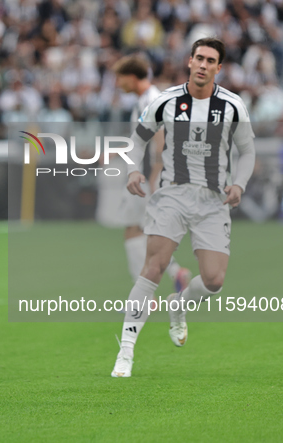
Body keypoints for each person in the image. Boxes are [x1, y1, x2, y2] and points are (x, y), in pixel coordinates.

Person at [111, 38, 256, 377]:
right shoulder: (166, 101)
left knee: (214, 280)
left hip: (212, 200)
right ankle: (126, 351)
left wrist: (240, 184)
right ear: (190, 62)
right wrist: (134, 169)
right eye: (199, 58)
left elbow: (248, 151)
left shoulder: (233, 106)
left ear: (219, 68)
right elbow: (137, 140)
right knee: (153, 268)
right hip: (172, 195)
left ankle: (179, 305)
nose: (204, 65)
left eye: (211, 61)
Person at [102, 54, 191, 290]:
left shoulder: (148, 101)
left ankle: (145, 294)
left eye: (119, 78)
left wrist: (156, 172)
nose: (117, 84)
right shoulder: (148, 99)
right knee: (146, 231)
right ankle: (175, 272)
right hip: (150, 173)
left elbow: (160, 137)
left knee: (134, 230)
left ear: (132, 78)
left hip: (146, 175)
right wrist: (113, 153)